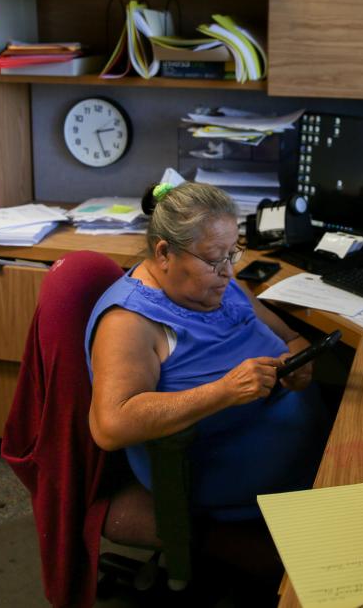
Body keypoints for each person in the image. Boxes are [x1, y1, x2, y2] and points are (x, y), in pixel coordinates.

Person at [86, 182, 326, 521]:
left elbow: (289, 338)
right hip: (216, 468)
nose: (229, 271)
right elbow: (110, 425)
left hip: (300, 444)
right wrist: (224, 391)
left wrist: (298, 363)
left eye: (232, 254)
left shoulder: (215, 283)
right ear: (164, 253)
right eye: (215, 259)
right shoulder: (130, 322)